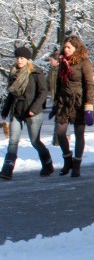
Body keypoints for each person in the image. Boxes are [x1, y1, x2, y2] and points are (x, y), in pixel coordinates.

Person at [0, 46, 54, 179]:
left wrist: (34, 109)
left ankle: (48, 165)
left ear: (27, 59)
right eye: (17, 57)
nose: (19, 60)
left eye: (22, 58)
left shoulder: (36, 73)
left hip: (32, 112)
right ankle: (7, 170)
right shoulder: (14, 73)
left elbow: (43, 92)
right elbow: (12, 94)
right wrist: (5, 110)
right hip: (17, 111)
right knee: (13, 141)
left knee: (35, 141)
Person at [53, 35, 94, 178]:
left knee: (79, 134)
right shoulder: (62, 63)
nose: (65, 49)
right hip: (63, 103)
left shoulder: (85, 63)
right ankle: (67, 160)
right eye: (64, 47)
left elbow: (89, 85)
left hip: (79, 103)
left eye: (68, 47)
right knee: (59, 132)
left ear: (76, 48)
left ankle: (76, 165)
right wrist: (55, 103)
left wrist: (89, 105)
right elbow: (58, 84)